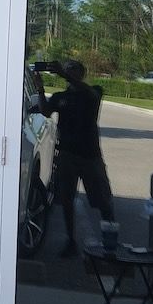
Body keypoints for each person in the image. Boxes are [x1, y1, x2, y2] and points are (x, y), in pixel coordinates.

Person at [33, 59, 113, 256]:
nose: (69, 72)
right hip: (67, 154)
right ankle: (71, 241)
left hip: (90, 155)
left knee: (103, 200)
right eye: (67, 69)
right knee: (66, 200)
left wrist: (61, 73)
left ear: (82, 73)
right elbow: (45, 111)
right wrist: (41, 89)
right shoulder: (61, 97)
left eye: (73, 69)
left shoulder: (93, 92)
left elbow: (90, 93)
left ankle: (110, 241)